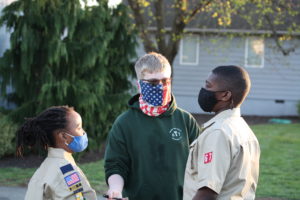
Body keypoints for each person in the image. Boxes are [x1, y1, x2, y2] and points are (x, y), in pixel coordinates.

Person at [104, 52, 201, 200]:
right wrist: (115, 190)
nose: (160, 86)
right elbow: (115, 165)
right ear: (139, 85)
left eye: (165, 81)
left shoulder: (185, 120)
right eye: (154, 82)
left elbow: (200, 164)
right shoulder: (124, 123)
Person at [183, 65, 261, 200]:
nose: (204, 90)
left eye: (208, 86)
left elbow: (207, 192)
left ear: (225, 95)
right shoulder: (246, 131)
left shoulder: (218, 133)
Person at [16, 106, 97, 200]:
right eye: (79, 128)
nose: (83, 132)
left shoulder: (43, 169)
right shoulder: (66, 171)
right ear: (64, 136)